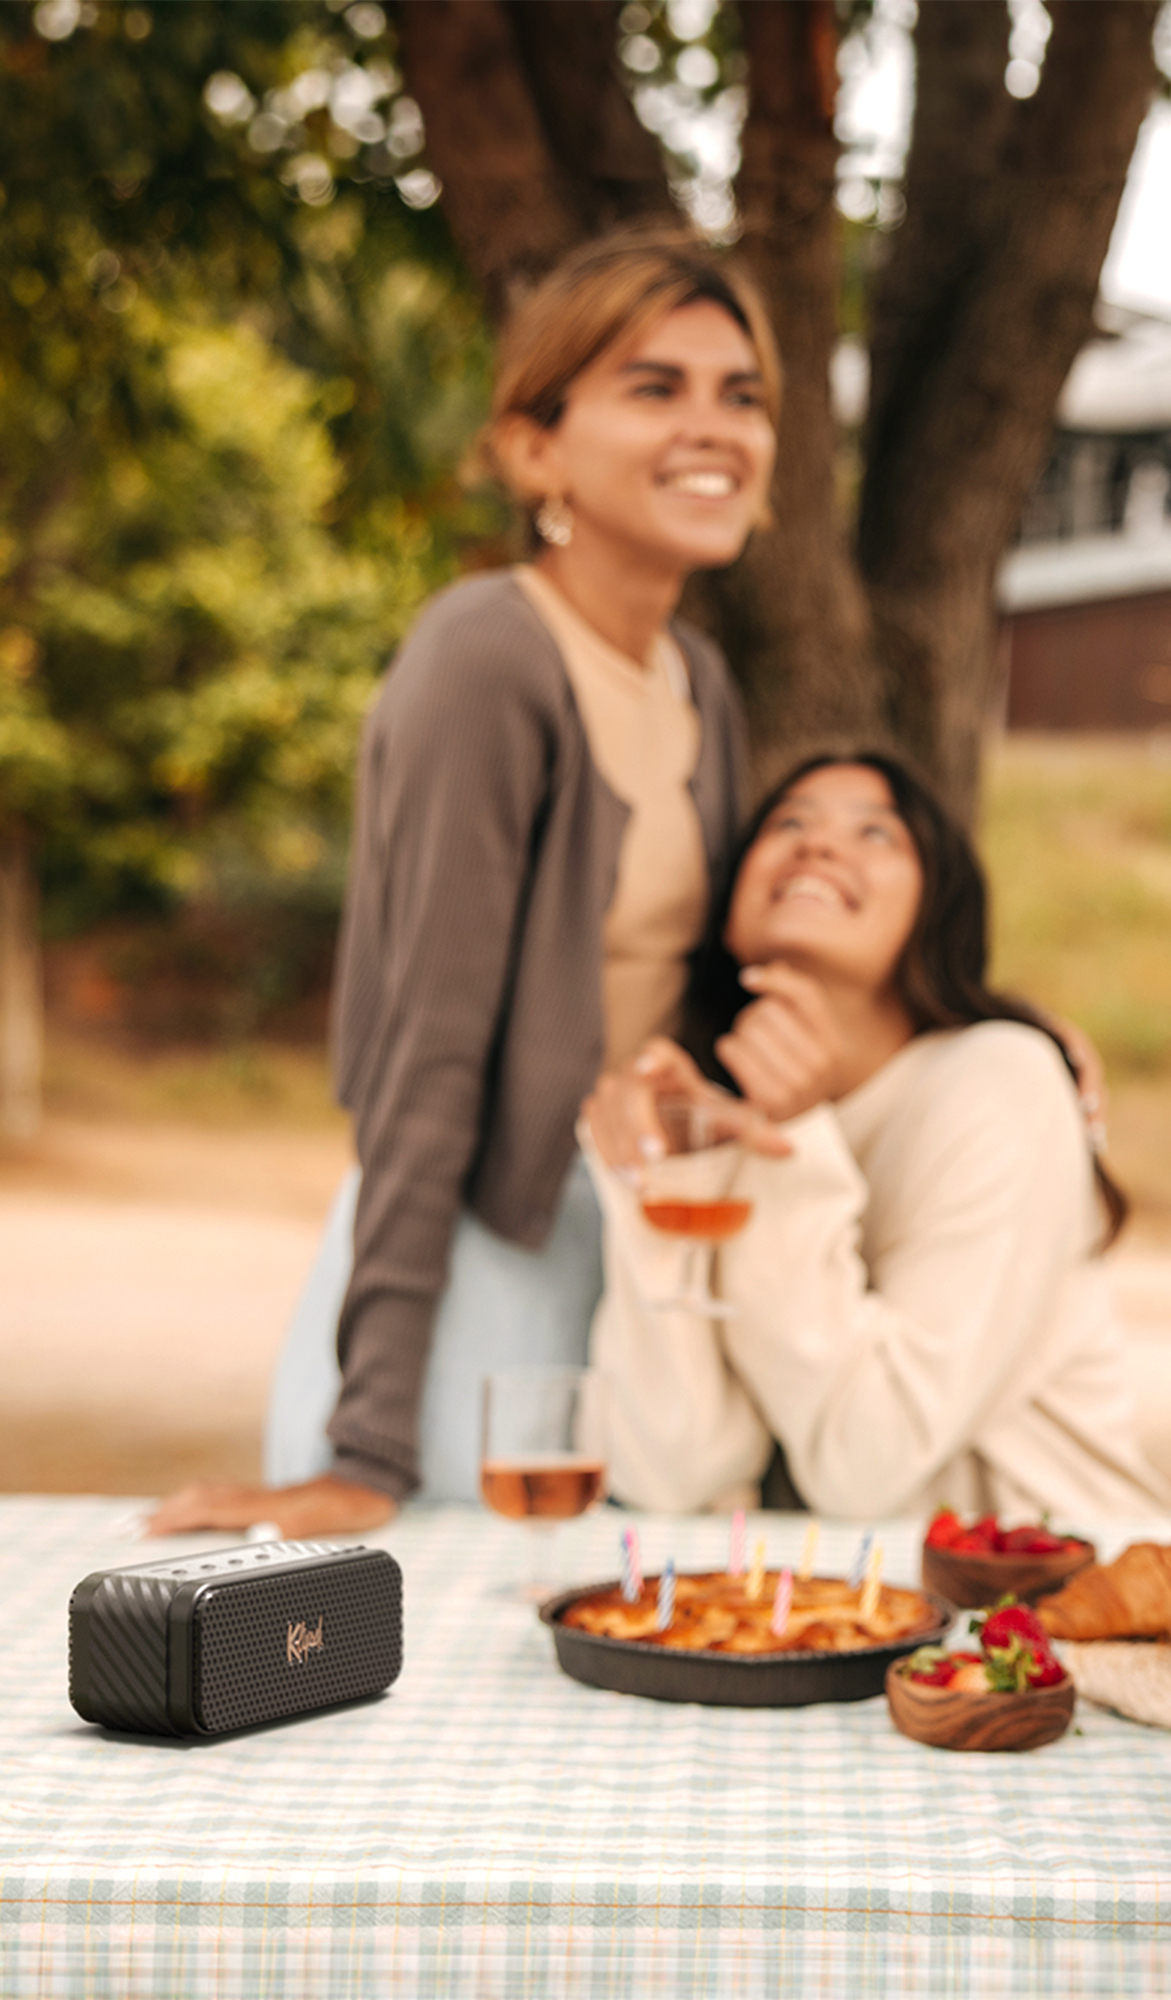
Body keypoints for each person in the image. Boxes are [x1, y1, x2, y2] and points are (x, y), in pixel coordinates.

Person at [149, 228, 779, 1538]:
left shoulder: (697, 683)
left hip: (626, 1254)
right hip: (469, 1266)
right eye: (653, 388)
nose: (712, 426)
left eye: (743, 394)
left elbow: (732, 985)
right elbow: (427, 1056)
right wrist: (365, 1444)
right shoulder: (488, 658)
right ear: (533, 448)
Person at [581, 752, 1171, 1523]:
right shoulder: (721, 1112)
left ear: (939, 908)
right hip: (840, 1610)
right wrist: (663, 1179)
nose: (820, 845)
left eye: (877, 834)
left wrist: (791, 1147)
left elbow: (868, 1466)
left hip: (1054, 1601)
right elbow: (676, 1473)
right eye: (789, 822)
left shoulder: (1002, 1082)